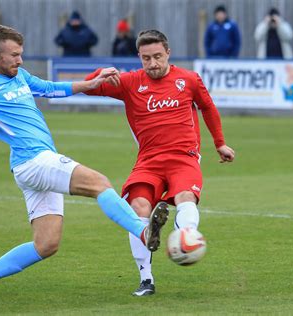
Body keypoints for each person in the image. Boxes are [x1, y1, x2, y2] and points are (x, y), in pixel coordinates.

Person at [0, 24, 168, 300]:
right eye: (14, 55)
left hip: (31, 167)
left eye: (21, 54)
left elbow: (50, 88)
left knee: (46, 244)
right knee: (99, 183)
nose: (20, 60)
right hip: (34, 160)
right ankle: (143, 232)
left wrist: (92, 84)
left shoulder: (20, 76)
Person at [84, 30, 235, 296]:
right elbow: (89, 86)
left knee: (186, 196)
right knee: (138, 207)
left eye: (157, 57)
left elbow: (208, 107)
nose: (152, 64)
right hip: (149, 161)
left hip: (183, 158)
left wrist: (219, 143)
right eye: (146, 59)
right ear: (139, 58)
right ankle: (146, 280)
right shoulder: (130, 82)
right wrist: (102, 71)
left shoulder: (188, 80)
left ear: (168, 53)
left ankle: (186, 238)